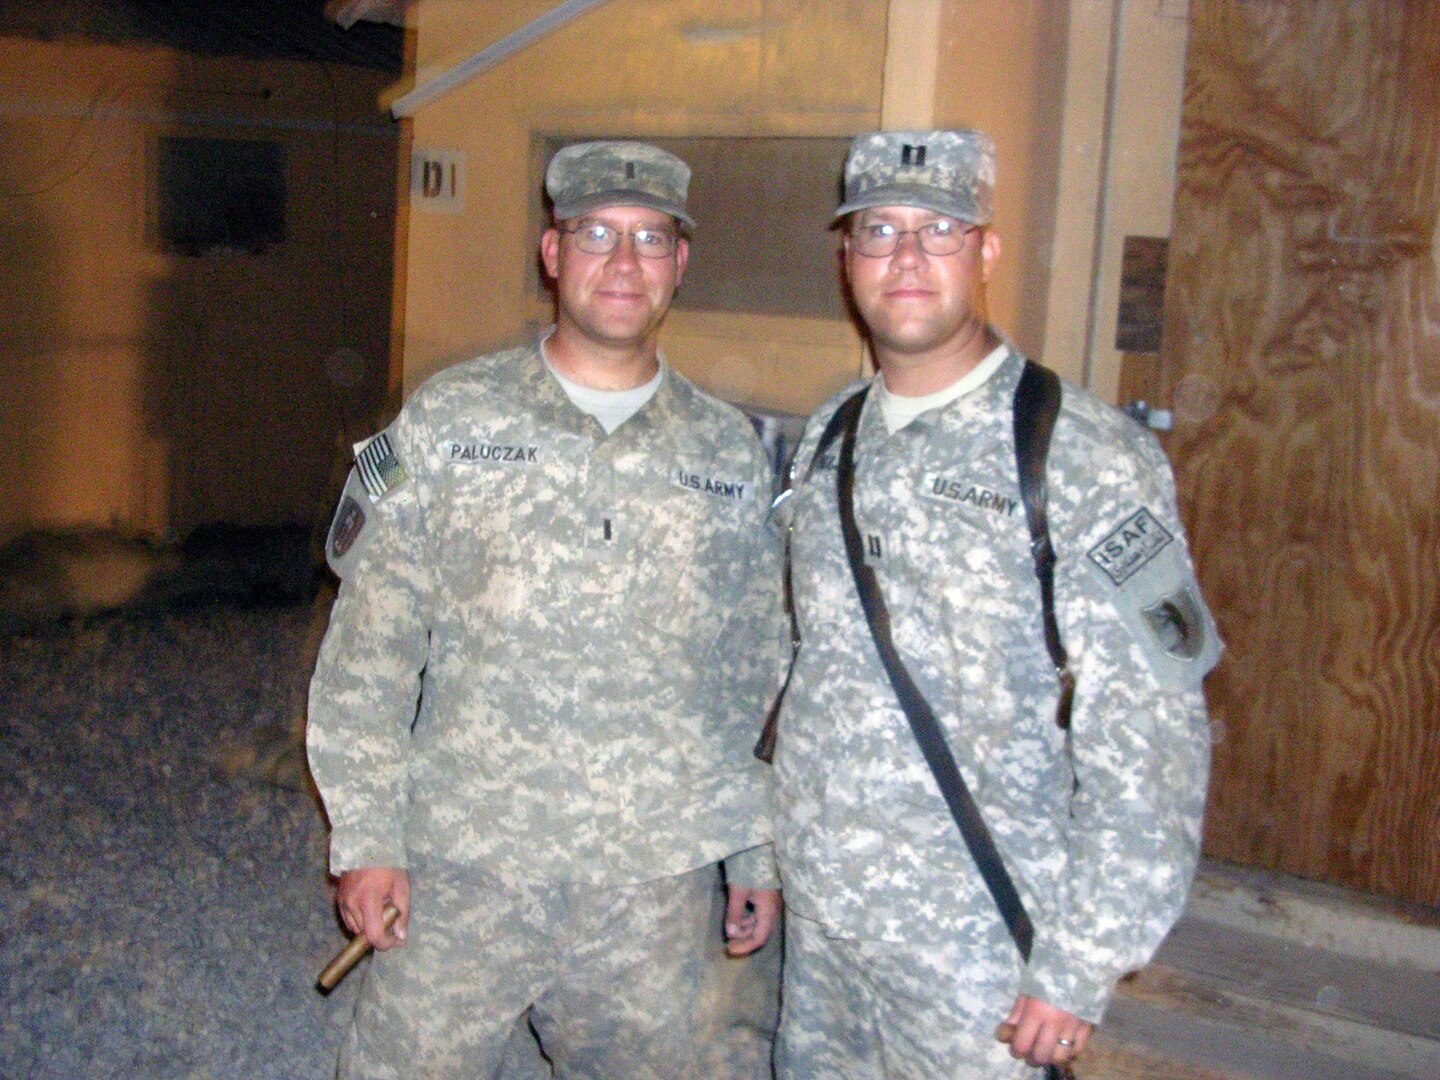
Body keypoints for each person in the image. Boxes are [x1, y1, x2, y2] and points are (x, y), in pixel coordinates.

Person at [308, 140, 783, 1079]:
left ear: (679, 265)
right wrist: (367, 838)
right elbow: (372, 646)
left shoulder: (729, 454)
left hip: (650, 893)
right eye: (596, 232)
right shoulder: (454, 420)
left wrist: (753, 855)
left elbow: (749, 675)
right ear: (551, 252)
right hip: (463, 872)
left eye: (651, 239)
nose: (623, 262)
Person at [769, 129, 1221, 1078]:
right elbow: (801, 664)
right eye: (879, 230)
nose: (907, 257)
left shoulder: (1081, 455)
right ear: (845, 257)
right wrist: (766, 858)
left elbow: (1151, 737)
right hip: (826, 925)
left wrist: (1080, 959)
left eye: (940, 230)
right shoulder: (829, 436)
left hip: (978, 945)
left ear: (987, 251)